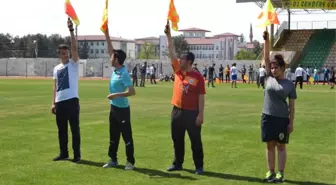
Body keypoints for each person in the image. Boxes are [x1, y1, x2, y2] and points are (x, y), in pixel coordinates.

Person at [164, 20, 206, 175]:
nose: (178, 61)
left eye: (182, 59)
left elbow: (201, 96)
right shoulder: (178, 72)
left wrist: (201, 115)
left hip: (192, 113)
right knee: (177, 139)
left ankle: (199, 166)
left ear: (189, 62)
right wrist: (168, 35)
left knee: (195, 141)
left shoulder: (197, 77)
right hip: (177, 111)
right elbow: (171, 51)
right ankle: (178, 163)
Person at [261, 30, 297, 183]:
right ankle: (270, 171)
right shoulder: (269, 78)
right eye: (272, 67)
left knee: (281, 146)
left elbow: (292, 106)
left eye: (276, 68)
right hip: (267, 117)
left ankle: (280, 173)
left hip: (282, 119)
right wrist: (267, 41)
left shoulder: (289, 85)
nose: (274, 70)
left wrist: (291, 122)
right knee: (270, 145)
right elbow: (266, 57)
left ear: (283, 68)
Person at [102, 24, 136, 170]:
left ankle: (130, 162)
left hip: (123, 109)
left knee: (126, 137)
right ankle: (113, 160)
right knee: (113, 136)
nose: (110, 57)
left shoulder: (124, 73)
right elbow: (111, 50)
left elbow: (132, 91)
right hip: (113, 109)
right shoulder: (115, 70)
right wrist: (107, 34)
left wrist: (116, 95)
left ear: (116, 60)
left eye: (112, 56)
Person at [51, 18, 81, 163]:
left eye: (67, 52)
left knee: (75, 130)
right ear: (59, 54)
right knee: (61, 130)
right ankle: (64, 153)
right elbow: (55, 86)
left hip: (72, 100)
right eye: (63, 53)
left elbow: (75, 48)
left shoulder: (74, 64)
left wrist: (71, 31)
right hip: (60, 102)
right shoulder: (56, 69)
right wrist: (53, 103)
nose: (66, 55)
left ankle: (77, 155)